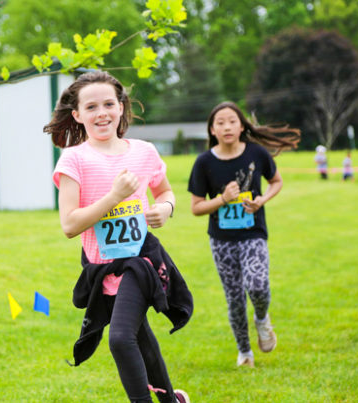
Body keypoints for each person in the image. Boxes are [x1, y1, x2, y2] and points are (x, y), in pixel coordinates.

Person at [45, 71, 193, 403]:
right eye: (92, 106)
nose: (102, 113)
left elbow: (165, 191)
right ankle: (172, 400)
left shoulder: (143, 152)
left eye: (109, 104)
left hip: (141, 261)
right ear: (77, 115)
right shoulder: (74, 159)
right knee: (139, 336)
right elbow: (69, 225)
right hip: (101, 267)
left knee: (121, 337)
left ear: (121, 107)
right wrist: (114, 197)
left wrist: (166, 208)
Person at [187, 101, 300, 367]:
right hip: (221, 240)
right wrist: (223, 199)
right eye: (220, 123)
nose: (227, 126)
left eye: (232, 121)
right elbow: (196, 208)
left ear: (241, 126)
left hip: (253, 234)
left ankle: (262, 320)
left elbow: (277, 182)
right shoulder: (204, 162)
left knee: (258, 286)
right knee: (235, 299)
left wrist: (262, 201)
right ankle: (245, 352)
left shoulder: (257, 154)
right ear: (212, 130)